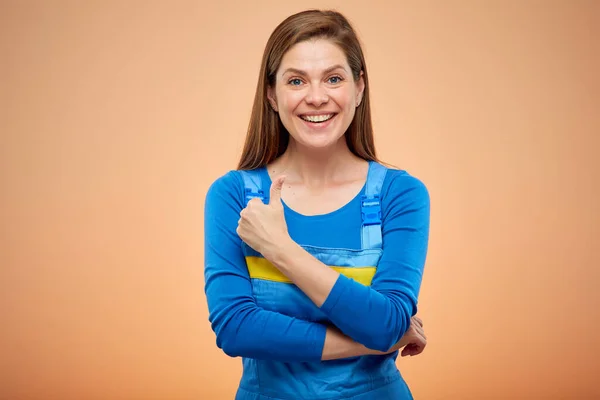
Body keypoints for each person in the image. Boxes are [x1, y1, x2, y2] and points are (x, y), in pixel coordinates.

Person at [203, 9, 430, 400]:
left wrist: (280, 249)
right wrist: (371, 341)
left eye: (334, 78)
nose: (316, 97)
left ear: (359, 88)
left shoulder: (401, 195)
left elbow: (389, 322)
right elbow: (236, 328)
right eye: (296, 80)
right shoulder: (233, 196)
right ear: (272, 94)